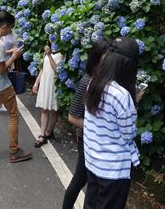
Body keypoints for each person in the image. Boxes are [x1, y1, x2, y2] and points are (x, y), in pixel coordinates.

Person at [83, 37, 141, 209]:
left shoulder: (94, 84)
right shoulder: (121, 95)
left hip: (93, 162)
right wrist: (134, 103)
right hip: (113, 170)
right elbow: (128, 134)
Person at [0, 11, 32, 163]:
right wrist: (14, 56)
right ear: (4, 26)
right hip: (2, 86)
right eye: (10, 28)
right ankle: (14, 151)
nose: (10, 32)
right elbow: (2, 69)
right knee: (14, 116)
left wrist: (9, 51)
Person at [62, 40, 109, 209]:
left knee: (90, 182)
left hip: (99, 141)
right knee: (80, 180)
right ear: (96, 60)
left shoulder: (107, 82)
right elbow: (72, 117)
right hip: (86, 140)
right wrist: (96, 126)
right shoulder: (87, 82)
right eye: (106, 59)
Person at [32, 40, 64, 147]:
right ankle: (42, 136)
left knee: (54, 110)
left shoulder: (62, 54)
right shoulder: (47, 52)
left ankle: (49, 132)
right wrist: (37, 83)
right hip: (46, 83)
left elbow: (56, 69)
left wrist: (49, 55)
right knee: (44, 109)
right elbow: (43, 69)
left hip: (54, 84)